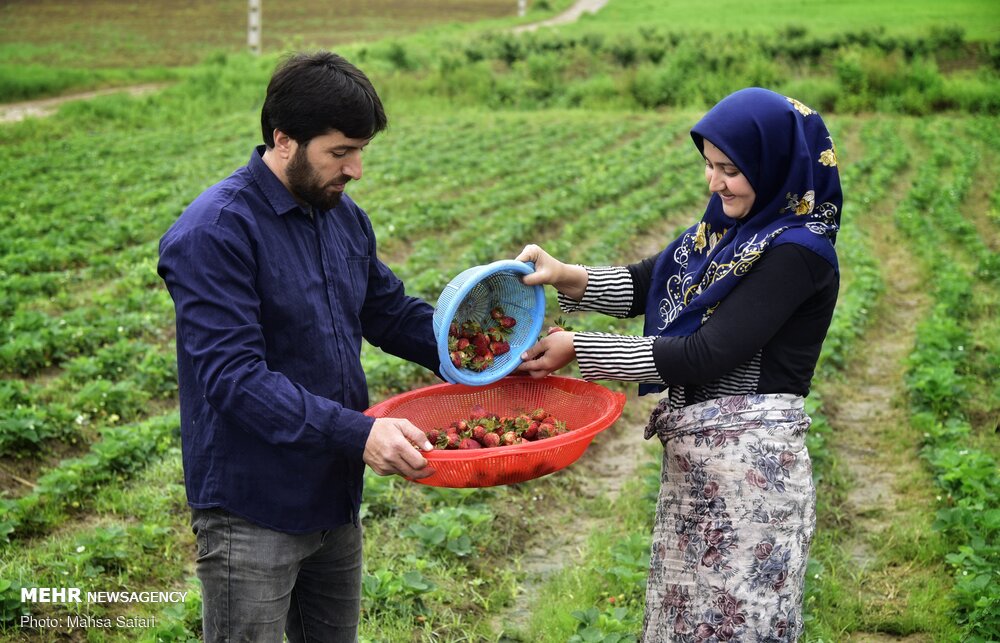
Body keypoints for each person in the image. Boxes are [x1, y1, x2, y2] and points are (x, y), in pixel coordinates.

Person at [516, 87, 841, 641]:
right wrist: (566, 275)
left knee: (734, 625)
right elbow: (654, 282)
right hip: (700, 465)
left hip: (751, 475)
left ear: (775, 164)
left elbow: (705, 354)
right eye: (710, 166)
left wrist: (582, 348)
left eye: (731, 169)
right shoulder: (729, 230)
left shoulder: (796, 251)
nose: (714, 183)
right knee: (684, 621)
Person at [157, 51, 441, 642]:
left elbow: (387, 312)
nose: (356, 168)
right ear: (284, 140)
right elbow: (236, 379)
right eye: (340, 152)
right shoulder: (216, 232)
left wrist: (483, 354)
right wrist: (360, 433)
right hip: (253, 508)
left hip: (332, 495)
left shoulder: (340, 216)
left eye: (361, 150)